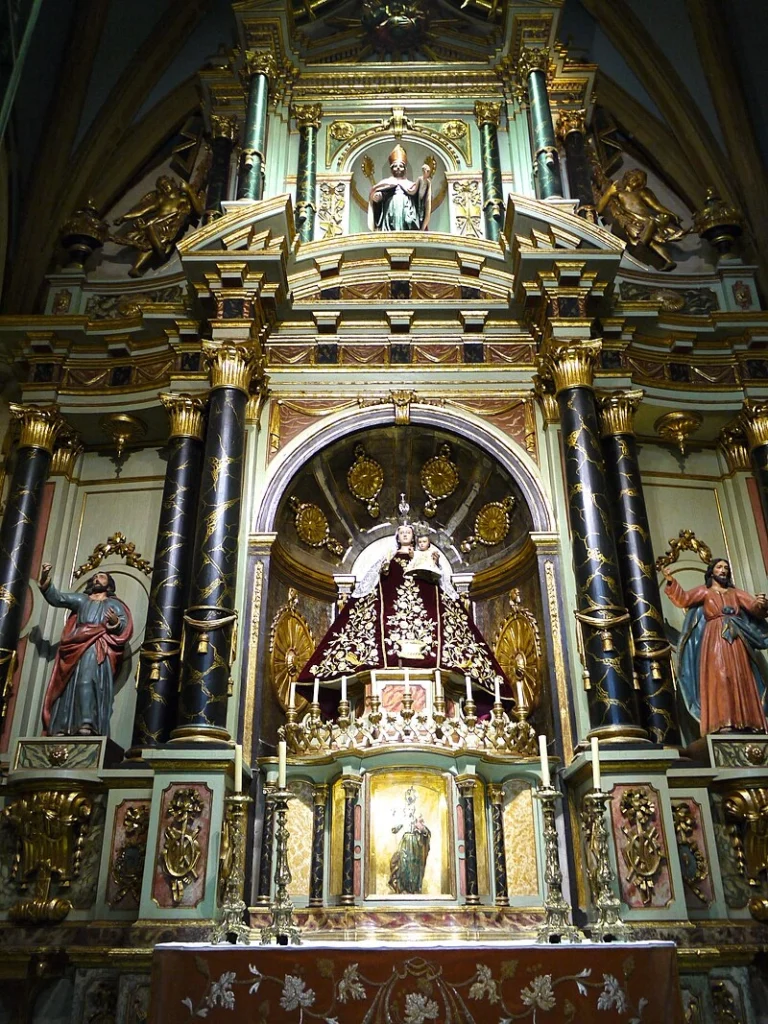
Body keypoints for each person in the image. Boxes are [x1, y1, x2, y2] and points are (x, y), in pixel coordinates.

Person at [297, 522, 512, 715]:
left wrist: (433, 564)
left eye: (409, 532)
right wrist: (385, 566)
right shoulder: (390, 556)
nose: (406, 535)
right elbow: (374, 581)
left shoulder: (425, 557)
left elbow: (441, 585)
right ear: (398, 537)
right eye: (402, 532)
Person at [662, 558, 768, 735]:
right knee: (720, 676)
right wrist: (671, 581)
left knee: (740, 675)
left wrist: (761, 604)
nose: (723, 570)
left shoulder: (735, 593)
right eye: (719, 567)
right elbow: (684, 599)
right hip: (714, 638)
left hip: (736, 638)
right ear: (711, 572)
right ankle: (722, 721)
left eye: (726, 568)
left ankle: (750, 721)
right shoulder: (705, 591)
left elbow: (753, 608)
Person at [39, 565, 134, 737]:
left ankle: (87, 722)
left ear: (109, 585)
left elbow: (123, 626)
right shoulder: (83, 600)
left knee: (87, 681)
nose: (97, 579)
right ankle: (62, 726)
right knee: (68, 685)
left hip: (95, 644)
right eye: (95, 577)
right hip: (76, 644)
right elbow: (58, 598)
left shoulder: (113, 604)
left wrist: (115, 622)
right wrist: (46, 580)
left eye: (102, 577)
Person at [597, 168, 685, 270]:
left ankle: (643, 247)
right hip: (633, 221)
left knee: (651, 231)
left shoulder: (641, 193)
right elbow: (599, 209)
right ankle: (668, 261)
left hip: (646, 219)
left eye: (640, 179)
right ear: (627, 177)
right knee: (651, 243)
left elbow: (656, 206)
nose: (636, 180)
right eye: (634, 177)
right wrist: (608, 193)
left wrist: (671, 214)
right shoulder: (619, 193)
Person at [368, 145, 432, 232]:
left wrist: (424, 178)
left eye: (401, 166)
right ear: (391, 169)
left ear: (405, 169)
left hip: (407, 211)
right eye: (395, 166)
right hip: (391, 209)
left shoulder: (411, 185)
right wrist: (377, 197)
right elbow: (378, 198)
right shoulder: (385, 183)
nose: (398, 168)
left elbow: (420, 196)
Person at [388, 786, 431, 895]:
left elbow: (426, 832)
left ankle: (414, 889)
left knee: (415, 866)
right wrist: (398, 822)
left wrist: (422, 829)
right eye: (408, 800)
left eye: (412, 807)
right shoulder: (403, 814)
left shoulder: (419, 816)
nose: (410, 808)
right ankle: (403, 889)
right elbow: (394, 829)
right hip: (405, 842)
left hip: (416, 844)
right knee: (403, 864)